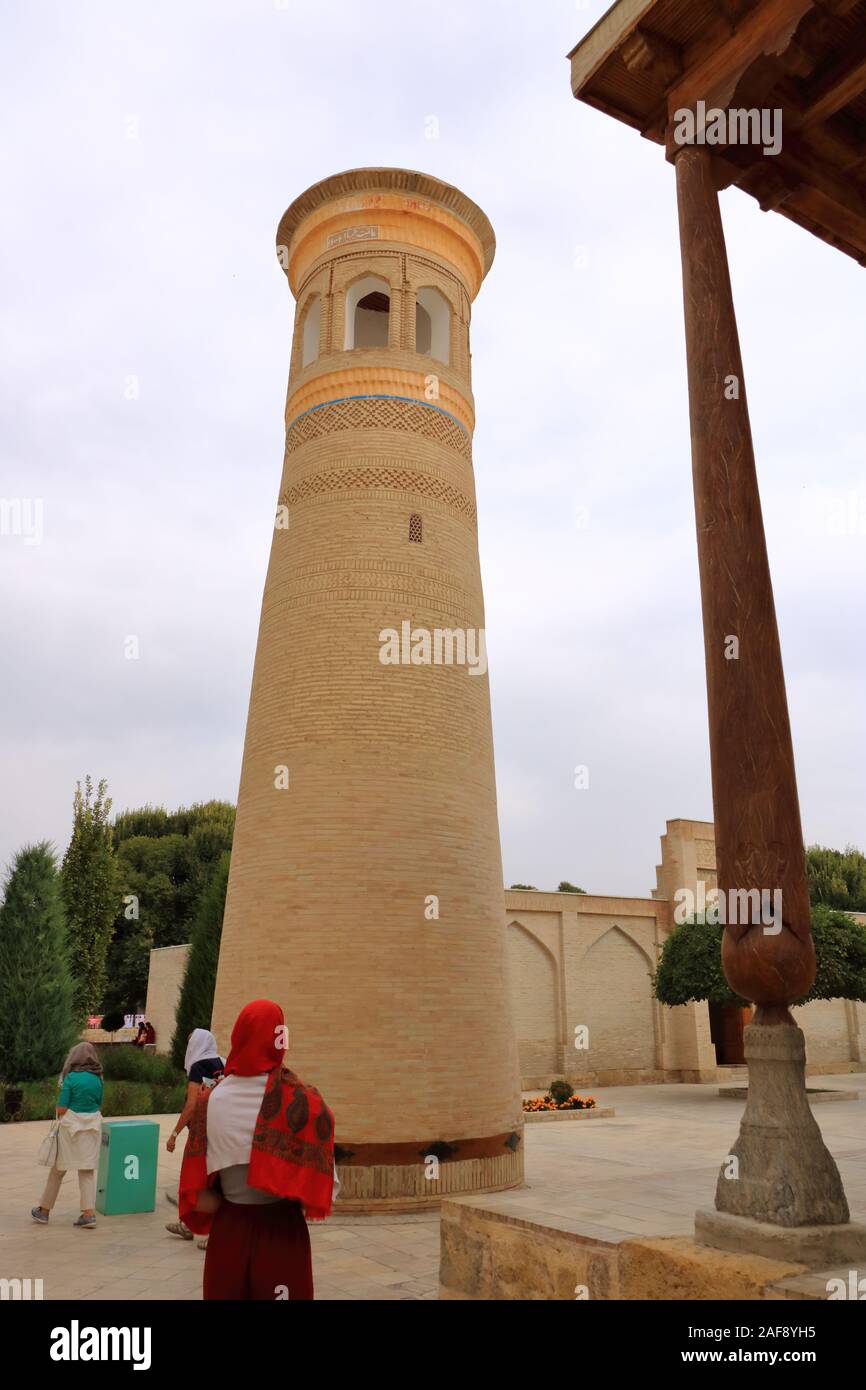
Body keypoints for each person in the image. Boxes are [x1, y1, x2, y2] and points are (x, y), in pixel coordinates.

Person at [178, 999, 337, 1300]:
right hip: (283, 1232)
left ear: (238, 1036)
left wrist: (234, 1208)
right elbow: (321, 1190)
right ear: (281, 1039)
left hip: (229, 1232)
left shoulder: (210, 1102)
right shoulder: (306, 1104)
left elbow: (195, 1196)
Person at [31, 1043, 104, 1229]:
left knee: (57, 1170)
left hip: (70, 1130)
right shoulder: (98, 1080)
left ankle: (44, 1211)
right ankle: (88, 1215)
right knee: (86, 1171)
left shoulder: (71, 1078)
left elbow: (62, 1107)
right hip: (92, 1129)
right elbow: (99, 1104)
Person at [165, 1028, 225, 1241]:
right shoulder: (223, 1062)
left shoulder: (199, 1066)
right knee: (216, 1180)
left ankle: (203, 1230)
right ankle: (188, 1225)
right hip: (222, 1130)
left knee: (196, 1180)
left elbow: (191, 1105)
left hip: (202, 1133)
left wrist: (174, 1134)